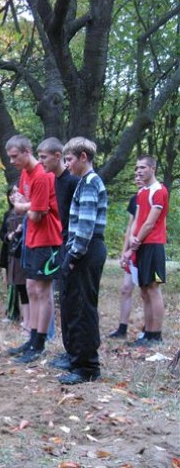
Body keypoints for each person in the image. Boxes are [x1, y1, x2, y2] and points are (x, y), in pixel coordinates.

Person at [6, 134, 62, 363]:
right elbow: (22, 205)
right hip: (31, 238)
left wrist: (22, 205)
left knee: (43, 291)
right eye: (9, 157)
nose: (11, 161)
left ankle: (40, 343)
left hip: (47, 238)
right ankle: (31, 338)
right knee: (30, 287)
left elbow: (36, 214)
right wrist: (24, 206)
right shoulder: (25, 174)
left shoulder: (41, 176)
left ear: (26, 151)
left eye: (14, 156)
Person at [57, 137, 107, 384]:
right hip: (84, 250)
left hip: (87, 251)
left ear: (83, 157)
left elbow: (85, 226)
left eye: (69, 159)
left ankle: (87, 367)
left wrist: (74, 255)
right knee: (74, 304)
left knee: (82, 308)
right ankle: (76, 357)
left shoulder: (89, 183)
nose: (66, 165)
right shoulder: (85, 182)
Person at [37, 137, 80, 365]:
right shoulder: (55, 181)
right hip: (63, 245)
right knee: (64, 300)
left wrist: (73, 251)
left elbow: (79, 219)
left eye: (43, 157)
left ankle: (76, 354)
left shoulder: (73, 181)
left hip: (74, 247)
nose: (40, 161)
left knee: (74, 302)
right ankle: (68, 350)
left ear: (57, 156)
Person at [127, 155, 168, 346]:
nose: (138, 171)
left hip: (153, 245)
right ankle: (147, 332)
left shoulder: (158, 191)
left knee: (153, 288)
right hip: (141, 245)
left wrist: (137, 241)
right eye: (136, 168)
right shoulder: (142, 192)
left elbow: (150, 222)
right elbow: (137, 220)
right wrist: (130, 245)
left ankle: (155, 334)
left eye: (142, 168)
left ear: (153, 169)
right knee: (144, 289)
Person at [109, 175, 145, 338]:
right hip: (132, 253)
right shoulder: (134, 199)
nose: (137, 178)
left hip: (149, 252)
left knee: (149, 291)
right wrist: (125, 252)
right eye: (135, 174)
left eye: (141, 173)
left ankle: (151, 329)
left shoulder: (156, 196)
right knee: (125, 289)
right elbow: (130, 226)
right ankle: (122, 328)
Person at [0, 185, 29, 328]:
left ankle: (26, 318)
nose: (13, 196)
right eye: (11, 193)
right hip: (10, 252)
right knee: (12, 284)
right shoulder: (7, 214)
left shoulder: (26, 213)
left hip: (22, 253)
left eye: (16, 193)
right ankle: (12, 313)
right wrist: (8, 236)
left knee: (23, 286)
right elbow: (2, 233)